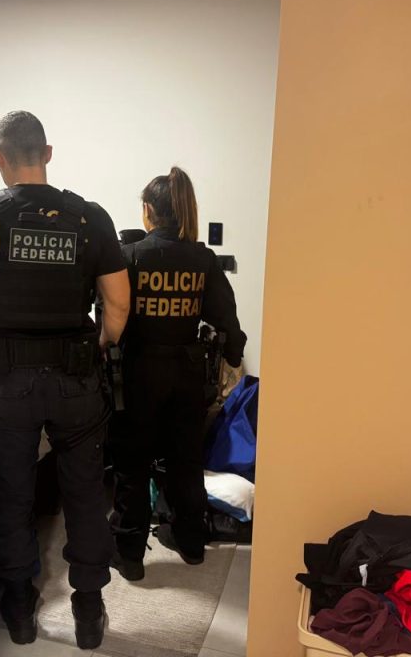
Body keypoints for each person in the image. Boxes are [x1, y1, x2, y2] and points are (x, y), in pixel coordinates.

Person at [0, 111, 130, 649]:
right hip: (77, 381)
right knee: (85, 494)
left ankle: (20, 609)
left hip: (10, 383)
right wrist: (100, 344)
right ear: (47, 153)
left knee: (13, 495)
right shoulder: (91, 218)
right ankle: (88, 611)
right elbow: (119, 304)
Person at [109, 166, 246, 581]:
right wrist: (234, 354)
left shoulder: (130, 256)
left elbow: (111, 317)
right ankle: (191, 544)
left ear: (148, 211)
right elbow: (226, 320)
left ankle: (130, 555)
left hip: (139, 373)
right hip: (187, 374)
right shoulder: (202, 259)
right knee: (185, 461)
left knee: (132, 464)